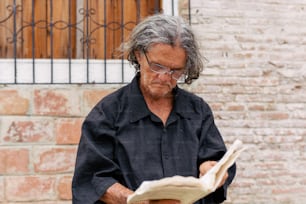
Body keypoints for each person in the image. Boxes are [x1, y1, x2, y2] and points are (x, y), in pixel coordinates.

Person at [72, 14, 236, 204]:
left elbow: (218, 163)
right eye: (157, 66)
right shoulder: (108, 113)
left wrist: (213, 169)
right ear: (139, 55)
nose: (165, 77)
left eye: (175, 71)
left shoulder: (197, 110)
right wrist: (135, 200)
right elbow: (93, 178)